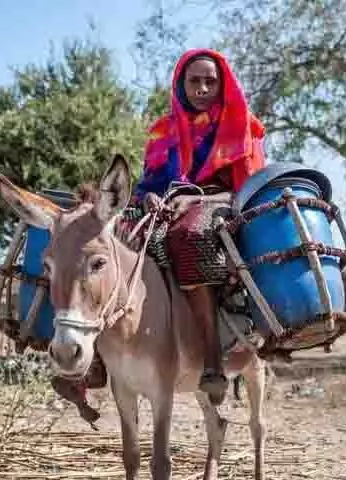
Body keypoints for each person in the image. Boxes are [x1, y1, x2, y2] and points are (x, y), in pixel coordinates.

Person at [116, 48, 267, 405]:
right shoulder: (162, 131)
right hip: (168, 205)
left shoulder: (240, 126)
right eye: (194, 81)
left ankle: (212, 356)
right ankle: (112, 356)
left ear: (222, 84)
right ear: (181, 85)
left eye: (209, 82)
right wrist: (147, 200)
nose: (202, 88)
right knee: (123, 237)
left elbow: (248, 187)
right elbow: (148, 184)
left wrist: (196, 200)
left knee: (189, 236)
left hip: (224, 204)